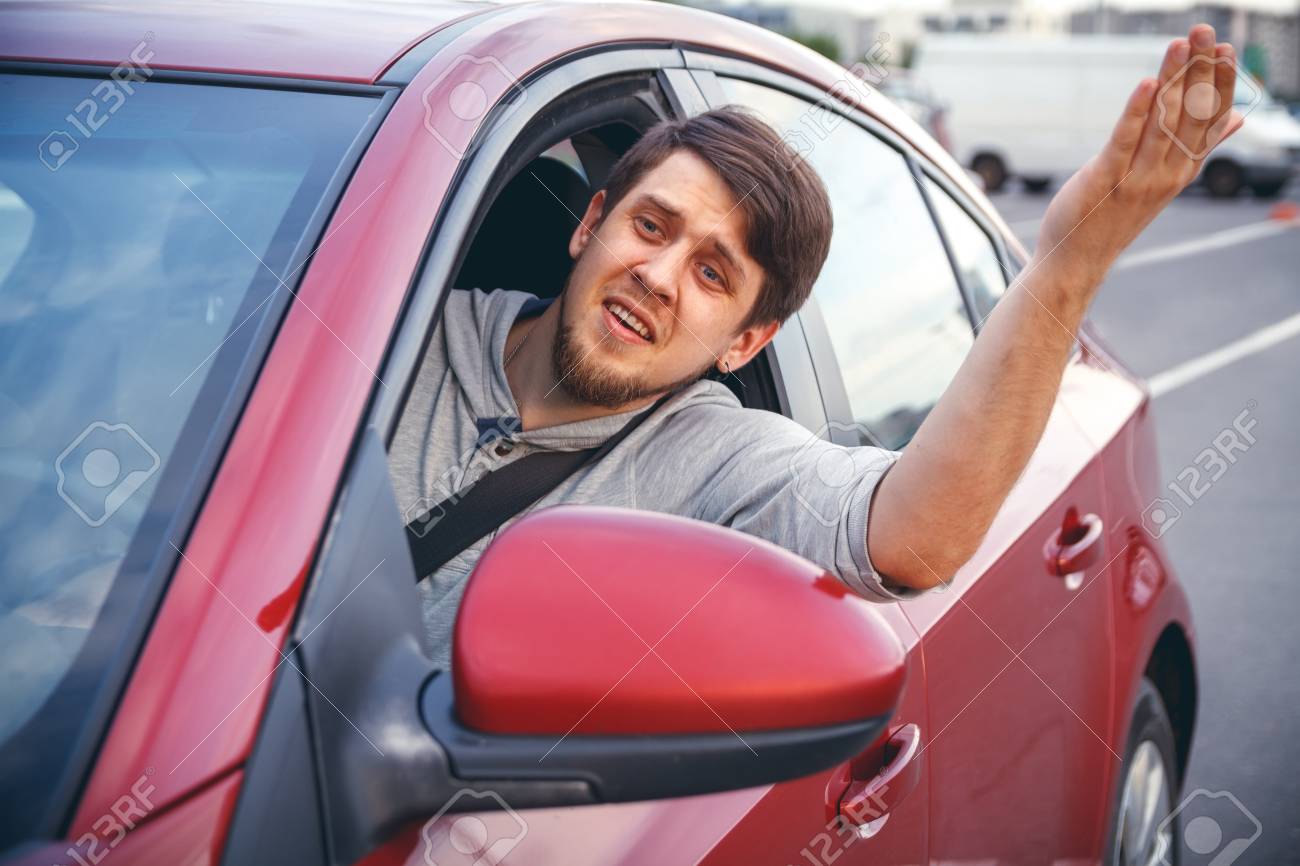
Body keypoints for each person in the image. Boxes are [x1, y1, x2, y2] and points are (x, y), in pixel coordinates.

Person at [389, 24, 1242, 668]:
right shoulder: (392, 330)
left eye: (713, 274)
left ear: (746, 343)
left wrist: (1067, 268)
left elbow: (914, 537)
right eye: (650, 226)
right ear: (590, 224)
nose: (658, 276)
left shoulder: (716, 458)